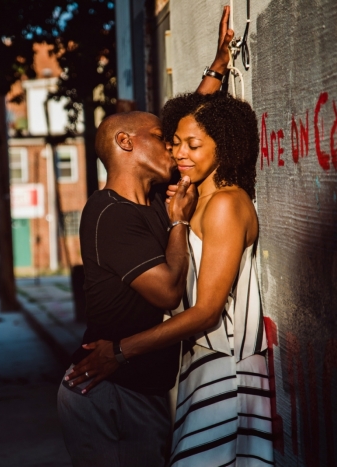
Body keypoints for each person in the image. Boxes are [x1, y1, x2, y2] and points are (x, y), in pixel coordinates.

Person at [65, 92, 273, 466]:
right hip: (134, 382)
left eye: (187, 144)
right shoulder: (121, 210)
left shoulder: (213, 204)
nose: (176, 151)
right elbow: (195, 128)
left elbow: (207, 310)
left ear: (222, 145)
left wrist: (120, 350)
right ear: (126, 143)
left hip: (224, 363)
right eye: (170, 141)